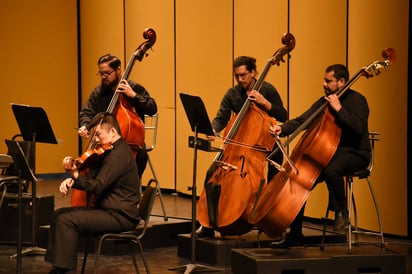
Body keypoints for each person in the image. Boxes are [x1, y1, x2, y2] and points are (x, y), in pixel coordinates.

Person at [269, 64, 371, 247]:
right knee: (300, 181)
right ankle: (294, 235)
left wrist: (339, 109)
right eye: (324, 80)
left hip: (356, 152)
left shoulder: (358, 100)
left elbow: (358, 128)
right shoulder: (324, 101)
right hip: (330, 154)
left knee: (332, 170)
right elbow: (304, 120)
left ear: (341, 82)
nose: (323, 84)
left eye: (328, 80)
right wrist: (281, 128)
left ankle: (341, 212)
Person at [197, 55, 288, 237]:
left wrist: (265, 103)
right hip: (239, 147)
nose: (240, 79)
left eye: (244, 75)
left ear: (253, 72)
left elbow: (283, 115)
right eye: (237, 76)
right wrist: (213, 130)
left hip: (265, 144)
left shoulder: (267, 89)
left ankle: (270, 221)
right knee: (211, 174)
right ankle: (208, 223)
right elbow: (221, 117)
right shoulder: (233, 93)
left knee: (275, 175)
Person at [45, 112, 141, 274]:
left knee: (67, 220)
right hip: (108, 211)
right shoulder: (110, 151)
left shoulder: (118, 156)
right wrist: (74, 181)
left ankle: (61, 270)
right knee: (58, 215)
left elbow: (98, 186)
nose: (95, 139)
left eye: (98, 134)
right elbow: (94, 176)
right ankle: (57, 266)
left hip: (120, 216)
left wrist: (75, 175)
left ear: (112, 132)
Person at [78, 53, 157, 179]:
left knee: (141, 156)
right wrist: (84, 126)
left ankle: (129, 192)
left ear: (118, 70)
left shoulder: (133, 88)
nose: (103, 77)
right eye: (101, 73)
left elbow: (152, 108)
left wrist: (133, 95)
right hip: (103, 144)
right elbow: (86, 112)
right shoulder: (98, 92)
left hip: (129, 144)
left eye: (107, 73)